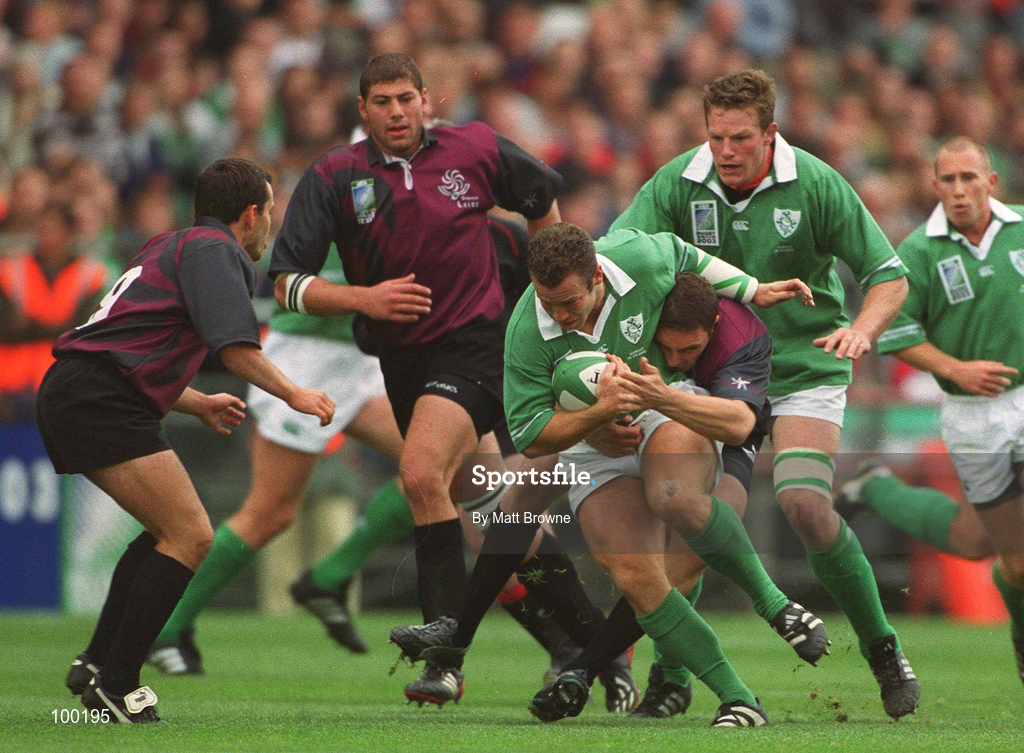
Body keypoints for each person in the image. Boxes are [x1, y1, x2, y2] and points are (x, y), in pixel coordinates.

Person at [390, 223, 826, 727]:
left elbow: (686, 253)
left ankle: (775, 606)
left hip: (664, 407)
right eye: (548, 301)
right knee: (633, 573)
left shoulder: (639, 257)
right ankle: (739, 699)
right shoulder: (525, 332)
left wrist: (752, 289)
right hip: (590, 444)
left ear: (597, 275)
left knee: (672, 497)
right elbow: (531, 435)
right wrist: (595, 420)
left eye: (570, 301)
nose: (559, 314)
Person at [608, 69, 919, 719]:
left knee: (805, 506)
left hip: (805, 363)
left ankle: (883, 647)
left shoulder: (816, 182)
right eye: (717, 135)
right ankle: (672, 677)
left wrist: (861, 330)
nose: (726, 149)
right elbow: (616, 257)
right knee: (692, 511)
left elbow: (888, 275)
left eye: (741, 137)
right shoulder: (675, 183)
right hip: (714, 372)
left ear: (770, 133)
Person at [146, 214, 575, 684]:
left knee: (445, 473)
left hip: (363, 358)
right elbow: (301, 284)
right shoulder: (358, 192)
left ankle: (565, 647)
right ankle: (166, 627)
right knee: (272, 510)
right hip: (309, 356)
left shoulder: (419, 197)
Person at [266, 52, 563, 704]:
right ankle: (586, 648)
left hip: (477, 348)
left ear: (427, 100)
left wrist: (553, 301)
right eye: (383, 102)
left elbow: (540, 195)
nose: (397, 112)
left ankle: (445, 658)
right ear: (363, 110)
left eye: (406, 98)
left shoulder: (476, 148)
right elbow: (285, 281)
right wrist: (363, 299)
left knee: (421, 473)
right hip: (403, 364)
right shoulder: (336, 175)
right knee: (494, 510)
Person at [39, 157, 335, 724]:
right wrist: (295, 392)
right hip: (98, 399)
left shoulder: (168, 245)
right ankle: (116, 684)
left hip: (84, 388)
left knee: (165, 532)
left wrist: (196, 401)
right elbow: (234, 348)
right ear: (251, 214)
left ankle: (97, 663)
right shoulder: (215, 252)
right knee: (191, 535)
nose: (270, 222)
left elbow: (126, 343)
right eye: (269, 210)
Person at [835, 136, 1024, 690]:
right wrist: (956, 369)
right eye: (949, 179)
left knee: (1003, 553)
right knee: (977, 544)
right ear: (934, 186)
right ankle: (875, 488)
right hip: (973, 414)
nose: (960, 189)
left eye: (970, 177)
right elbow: (892, 332)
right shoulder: (918, 253)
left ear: (991, 181)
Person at [0, 202, 108, 418]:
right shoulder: (10, 269)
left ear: (69, 234)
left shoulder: (91, 275)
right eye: (41, 228)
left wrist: (29, 326)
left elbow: (88, 332)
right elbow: (5, 328)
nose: (45, 235)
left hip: (65, 383)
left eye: (52, 228)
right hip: (8, 385)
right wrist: (63, 329)